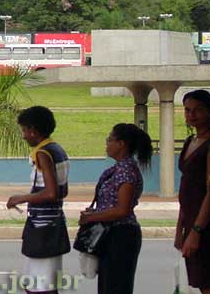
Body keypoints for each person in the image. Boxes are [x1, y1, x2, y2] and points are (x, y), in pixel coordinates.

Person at [79, 123, 152, 294]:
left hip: (121, 235)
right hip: (111, 235)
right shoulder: (119, 169)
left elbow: (122, 210)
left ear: (121, 144)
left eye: (110, 139)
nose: (106, 143)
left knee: (116, 286)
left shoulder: (125, 170)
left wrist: (91, 217)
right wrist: (96, 212)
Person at [6, 106, 69, 294]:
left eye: (24, 130)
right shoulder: (58, 149)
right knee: (49, 284)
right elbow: (62, 192)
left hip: (42, 228)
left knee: (38, 286)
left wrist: (21, 198)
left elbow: (51, 193)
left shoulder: (43, 154)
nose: (24, 136)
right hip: (55, 224)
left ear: (33, 130)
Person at [176, 90, 210, 293]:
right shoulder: (189, 142)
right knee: (200, 282)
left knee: (209, 282)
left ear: (209, 112)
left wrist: (196, 232)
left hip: (208, 224)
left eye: (198, 110)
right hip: (190, 219)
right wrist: (180, 228)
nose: (191, 115)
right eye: (187, 110)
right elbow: (186, 188)